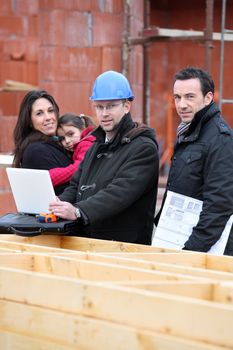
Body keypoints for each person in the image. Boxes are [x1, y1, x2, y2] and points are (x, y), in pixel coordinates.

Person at [49, 70, 159, 244]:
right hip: (90, 241)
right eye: (99, 107)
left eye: (111, 106)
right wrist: (57, 204)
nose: (104, 113)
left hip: (123, 247)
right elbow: (76, 186)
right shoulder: (95, 145)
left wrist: (78, 211)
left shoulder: (143, 148)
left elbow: (119, 193)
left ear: (126, 106)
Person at [156, 67, 233, 254]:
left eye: (190, 96)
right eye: (177, 97)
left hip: (204, 249)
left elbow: (219, 204)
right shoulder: (188, 132)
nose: (181, 104)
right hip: (177, 238)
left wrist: (191, 250)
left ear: (208, 98)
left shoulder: (219, 138)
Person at [13, 90, 72, 195]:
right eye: (39, 113)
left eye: (50, 110)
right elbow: (62, 192)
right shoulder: (36, 150)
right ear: (29, 121)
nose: (48, 117)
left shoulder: (58, 142)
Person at [49, 113, 96, 187]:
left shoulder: (86, 144)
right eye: (62, 138)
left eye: (71, 134)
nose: (67, 141)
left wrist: (49, 177)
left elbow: (78, 168)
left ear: (82, 129)